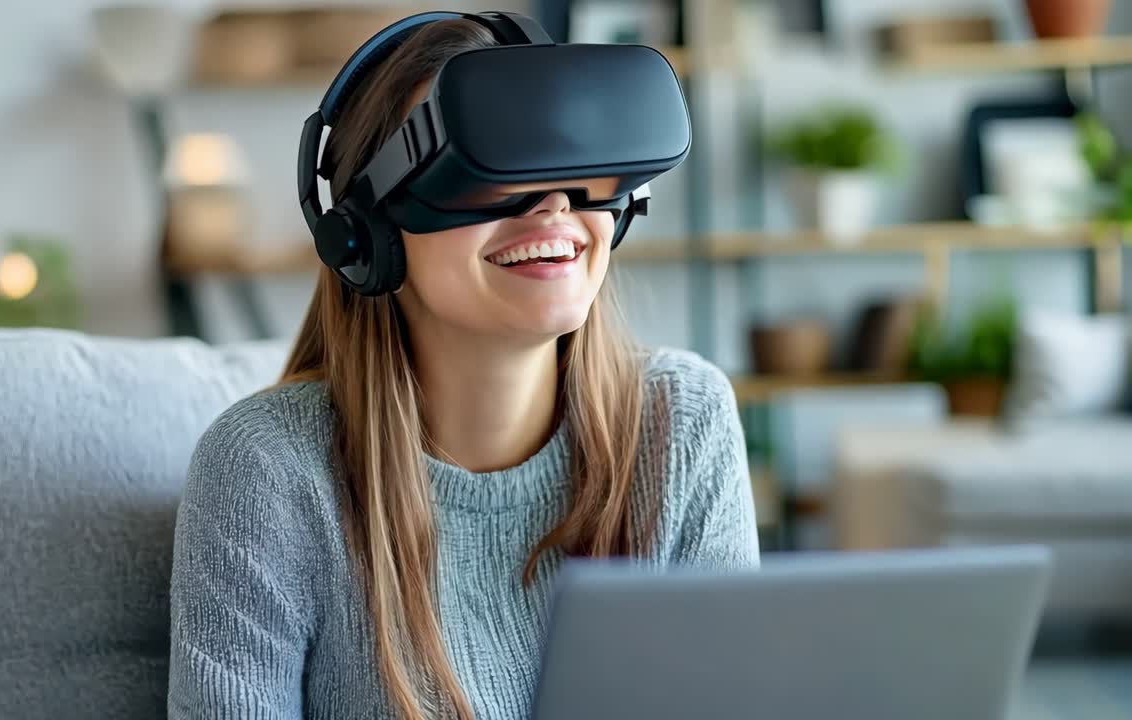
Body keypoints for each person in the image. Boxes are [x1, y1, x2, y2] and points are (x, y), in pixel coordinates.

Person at [167, 15, 759, 720]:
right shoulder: (268, 468)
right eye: (484, 168)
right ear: (368, 235)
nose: (551, 206)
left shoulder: (681, 419)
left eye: (569, 165)